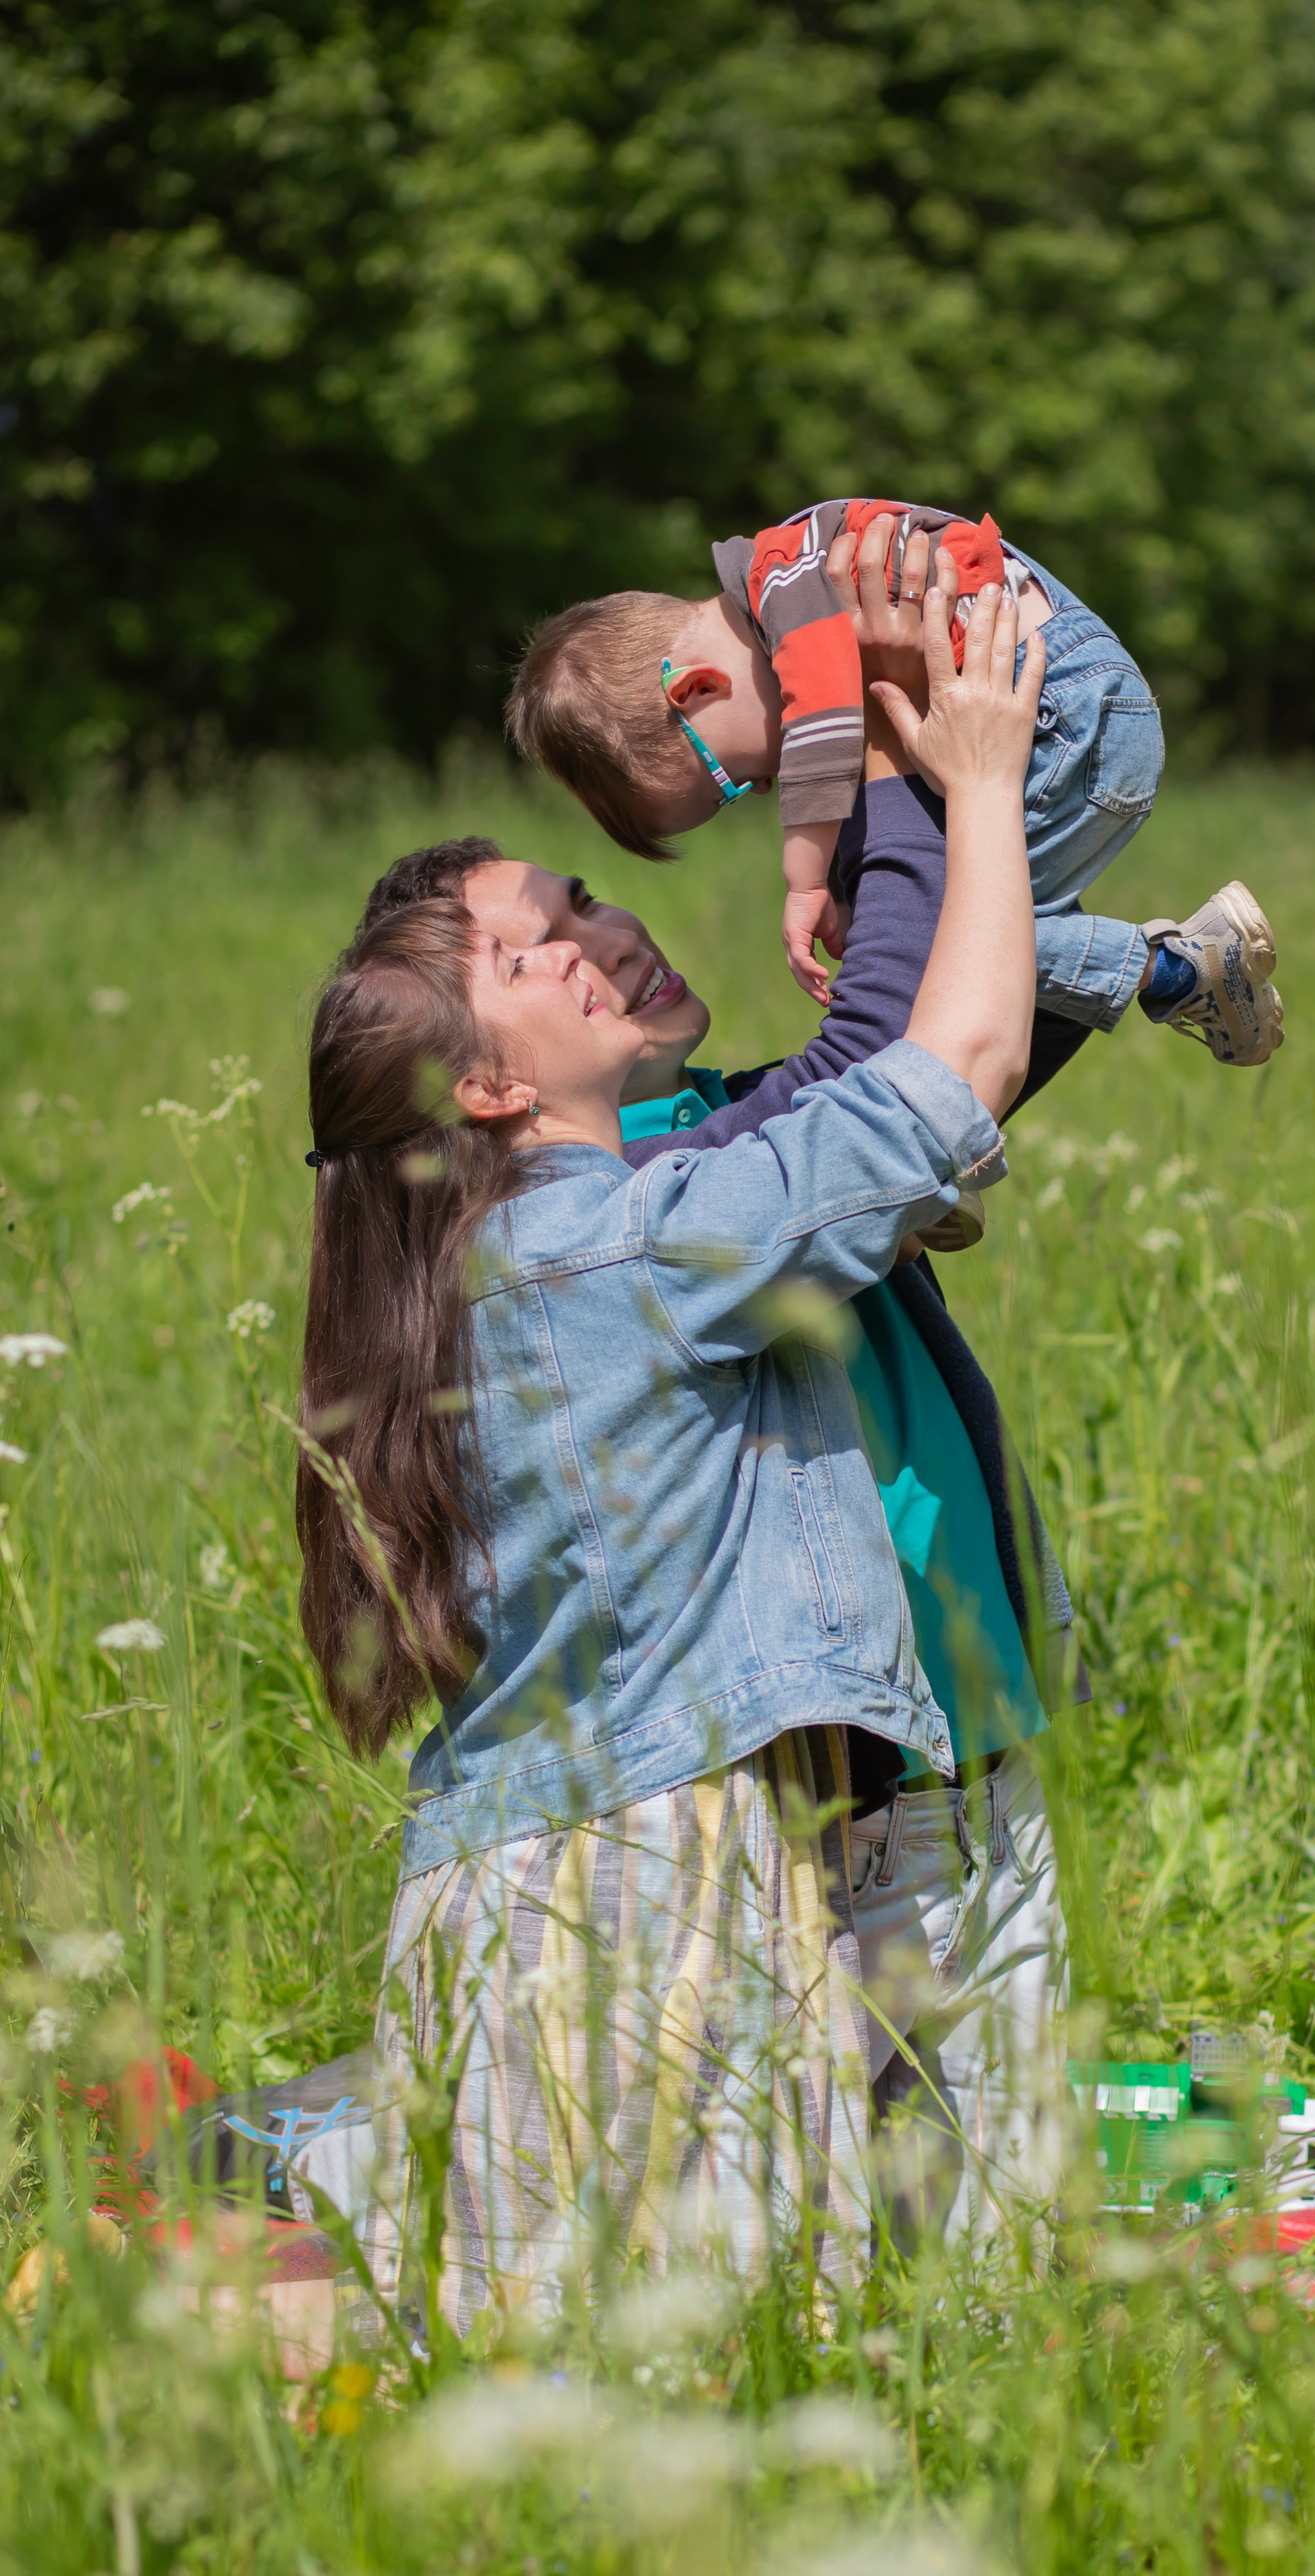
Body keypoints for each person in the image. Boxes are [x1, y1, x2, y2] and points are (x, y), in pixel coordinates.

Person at [296, 582, 1045, 2331]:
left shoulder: (542, 1248)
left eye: (574, 900)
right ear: (486, 1089)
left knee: (597, 2347)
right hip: (635, 1896)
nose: (587, 940)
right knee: (694, 2352)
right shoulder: (614, 1253)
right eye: (525, 958)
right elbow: (956, 1068)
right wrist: (980, 787)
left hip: (580, 1876)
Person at [505, 502, 1285, 1065]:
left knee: (956, 942)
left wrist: (807, 881)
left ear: (697, 689)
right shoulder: (790, 568)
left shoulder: (792, 604)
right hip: (1066, 695)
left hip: (1060, 713)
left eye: (731, 783)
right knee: (947, 929)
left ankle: (1176, 971)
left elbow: (823, 733)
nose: (764, 789)